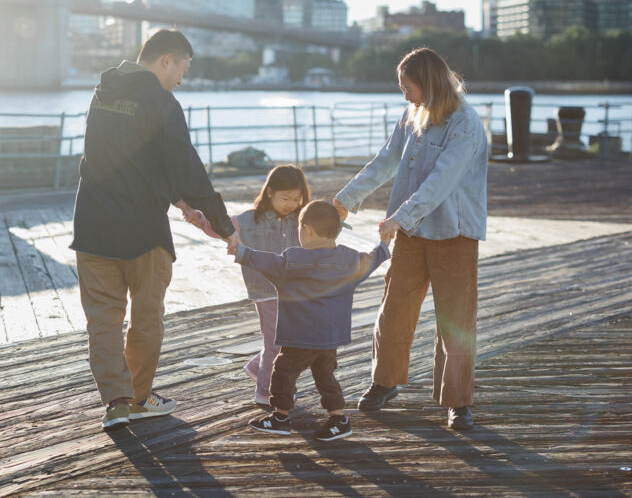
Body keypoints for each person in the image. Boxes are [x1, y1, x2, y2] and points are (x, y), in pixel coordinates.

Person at [71, 28, 238, 431]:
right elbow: (185, 166)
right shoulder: (161, 101)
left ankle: (116, 402)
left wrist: (177, 199)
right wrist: (223, 224)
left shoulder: (103, 92)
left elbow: (131, 159)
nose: (182, 78)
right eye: (183, 67)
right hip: (142, 230)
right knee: (147, 318)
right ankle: (140, 398)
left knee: (104, 321)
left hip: (92, 225)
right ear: (167, 60)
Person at [333, 47, 488, 431]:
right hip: (411, 232)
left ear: (430, 83)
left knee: (455, 321)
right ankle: (384, 382)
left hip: (455, 232)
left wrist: (397, 219)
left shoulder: (465, 123)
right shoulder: (411, 115)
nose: (404, 95)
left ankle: (457, 402)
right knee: (394, 309)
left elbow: (442, 181)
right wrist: (346, 198)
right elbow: (386, 161)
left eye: (408, 87)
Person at [229, 200, 389, 441]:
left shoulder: (292, 261)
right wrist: (385, 243)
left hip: (300, 336)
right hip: (330, 337)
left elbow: (264, 261)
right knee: (325, 376)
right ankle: (339, 419)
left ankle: (280, 417)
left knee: (283, 372)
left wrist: (240, 251)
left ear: (307, 230)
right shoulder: (350, 260)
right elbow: (373, 259)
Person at [178, 165, 309, 406]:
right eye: (285, 198)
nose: (291, 203)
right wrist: (200, 220)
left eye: (296, 199)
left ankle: (256, 367)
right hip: (266, 290)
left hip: (294, 291)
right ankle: (265, 392)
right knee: (275, 341)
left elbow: (319, 237)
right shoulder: (250, 220)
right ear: (269, 192)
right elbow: (221, 227)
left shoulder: (299, 221)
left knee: (291, 339)